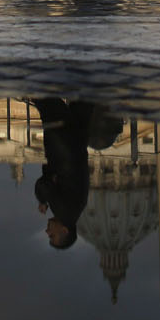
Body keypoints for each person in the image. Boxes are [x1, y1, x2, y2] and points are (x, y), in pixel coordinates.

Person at [30, 98, 94, 250]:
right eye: (52, 235)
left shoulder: (75, 210)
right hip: (61, 144)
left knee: (82, 97)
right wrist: (42, 200)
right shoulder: (63, 212)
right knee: (43, 96)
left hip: (76, 143)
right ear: (64, 230)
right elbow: (43, 185)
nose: (47, 231)